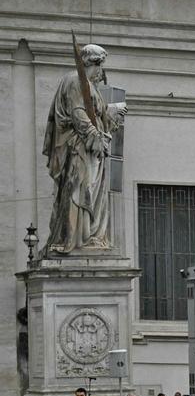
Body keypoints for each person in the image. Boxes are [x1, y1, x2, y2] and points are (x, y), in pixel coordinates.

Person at [41, 43, 126, 254]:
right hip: (79, 149)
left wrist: (113, 110)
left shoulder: (88, 84)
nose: (101, 72)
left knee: (91, 191)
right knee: (80, 188)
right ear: (94, 64)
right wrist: (95, 137)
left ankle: (90, 236)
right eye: (101, 66)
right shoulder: (75, 81)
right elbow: (79, 114)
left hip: (91, 150)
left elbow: (98, 112)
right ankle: (78, 238)